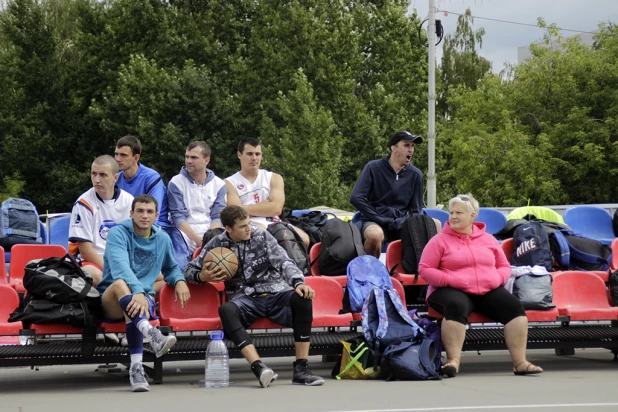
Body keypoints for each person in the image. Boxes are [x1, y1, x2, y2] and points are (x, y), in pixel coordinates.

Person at [184, 205, 324, 388]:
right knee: (226, 310)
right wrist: (202, 276)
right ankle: (259, 367)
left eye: (249, 223)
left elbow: (284, 262)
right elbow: (189, 270)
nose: (248, 228)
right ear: (228, 229)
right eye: (242, 226)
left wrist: (298, 282)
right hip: (245, 299)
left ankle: (301, 369)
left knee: (303, 298)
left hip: (275, 292)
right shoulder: (217, 244)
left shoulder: (262, 236)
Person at [418, 193, 543, 377]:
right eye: (451, 212)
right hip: (448, 289)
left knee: (514, 307)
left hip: (486, 289)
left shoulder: (489, 239)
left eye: (458, 212)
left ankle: (520, 362)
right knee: (456, 305)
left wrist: (497, 279)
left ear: (472, 216)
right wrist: (450, 279)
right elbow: (425, 269)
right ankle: (453, 362)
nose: (453, 216)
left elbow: (504, 266)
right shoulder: (439, 240)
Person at [97, 194, 191, 392]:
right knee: (122, 283)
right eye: (140, 211)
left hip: (140, 302)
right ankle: (152, 335)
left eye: (149, 212)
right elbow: (119, 268)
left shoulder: (163, 238)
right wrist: (137, 290)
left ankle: (136, 368)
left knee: (134, 308)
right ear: (131, 213)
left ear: (157, 216)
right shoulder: (117, 234)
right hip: (112, 298)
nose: (144, 216)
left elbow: (171, 268)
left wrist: (180, 280)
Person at [350, 130, 441, 258]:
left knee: (436, 224)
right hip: (375, 220)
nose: (411, 150)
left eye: (412, 146)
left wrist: (403, 221)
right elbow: (356, 197)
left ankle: (424, 271)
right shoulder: (373, 168)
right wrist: (380, 218)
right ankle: (370, 273)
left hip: (401, 222)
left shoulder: (415, 175)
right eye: (406, 145)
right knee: (374, 235)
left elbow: (415, 210)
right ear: (394, 148)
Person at [114, 135, 191, 273]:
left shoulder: (151, 178)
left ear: (136, 158)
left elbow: (151, 214)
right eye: (116, 154)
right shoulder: (115, 179)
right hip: (127, 230)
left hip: (158, 230)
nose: (118, 159)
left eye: (123, 155)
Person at [225, 138, 309, 246]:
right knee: (268, 239)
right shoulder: (229, 183)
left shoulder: (274, 178)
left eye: (257, 154)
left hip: (274, 222)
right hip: (248, 225)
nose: (254, 158)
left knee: (304, 239)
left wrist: (245, 207)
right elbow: (236, 214)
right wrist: (266, 205)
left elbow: (276, 209)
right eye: (249, 154)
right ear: (239, 155)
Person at [68, 155, 133, 285]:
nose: (97, 180)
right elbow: (85, 251)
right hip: (92, 261)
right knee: (95, 276)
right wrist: (113, 270)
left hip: (122, 260)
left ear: (115, 178)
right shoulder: (83, 203)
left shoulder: (129, 201)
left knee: (159, 277)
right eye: (94, 174)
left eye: (103, 175)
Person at [167, 141, 227, 253]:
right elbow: (178, 217)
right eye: (187, 157)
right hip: (183, 232)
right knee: (180, 262)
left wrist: (209, 238)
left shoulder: (219, 184)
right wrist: (198, 241)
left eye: (194, 157)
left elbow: (218, 216)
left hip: (211, 231)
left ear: (206, 160)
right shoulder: (176, 183)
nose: (189, 161)